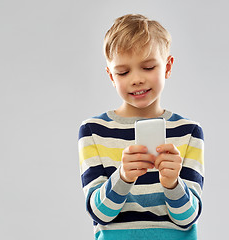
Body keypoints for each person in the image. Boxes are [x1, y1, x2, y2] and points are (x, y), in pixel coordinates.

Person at [78, 14, 204, 240]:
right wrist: (123, 177)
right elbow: (99, 214)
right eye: (123, 72)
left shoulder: (189, 132)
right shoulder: (93, 131)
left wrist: (173, 184)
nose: (136, 79)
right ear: (111, 76)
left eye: (147, 67)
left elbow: (188, 217)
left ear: (167, 67)